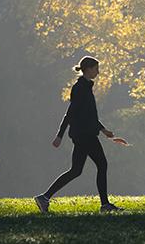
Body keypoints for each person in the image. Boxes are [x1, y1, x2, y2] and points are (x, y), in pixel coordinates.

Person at [34, 56, 122, 213]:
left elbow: (89, 116)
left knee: (76, 170)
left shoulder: (85, 87)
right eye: (96, 68)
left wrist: (103, 130)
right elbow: (71, 113)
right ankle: (105, 205)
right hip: (84, 134)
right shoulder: (80, 88)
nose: (98, 72)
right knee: (102, 164)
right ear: (88, 69)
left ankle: (44, 197)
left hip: (83, 133)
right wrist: (59, 135)